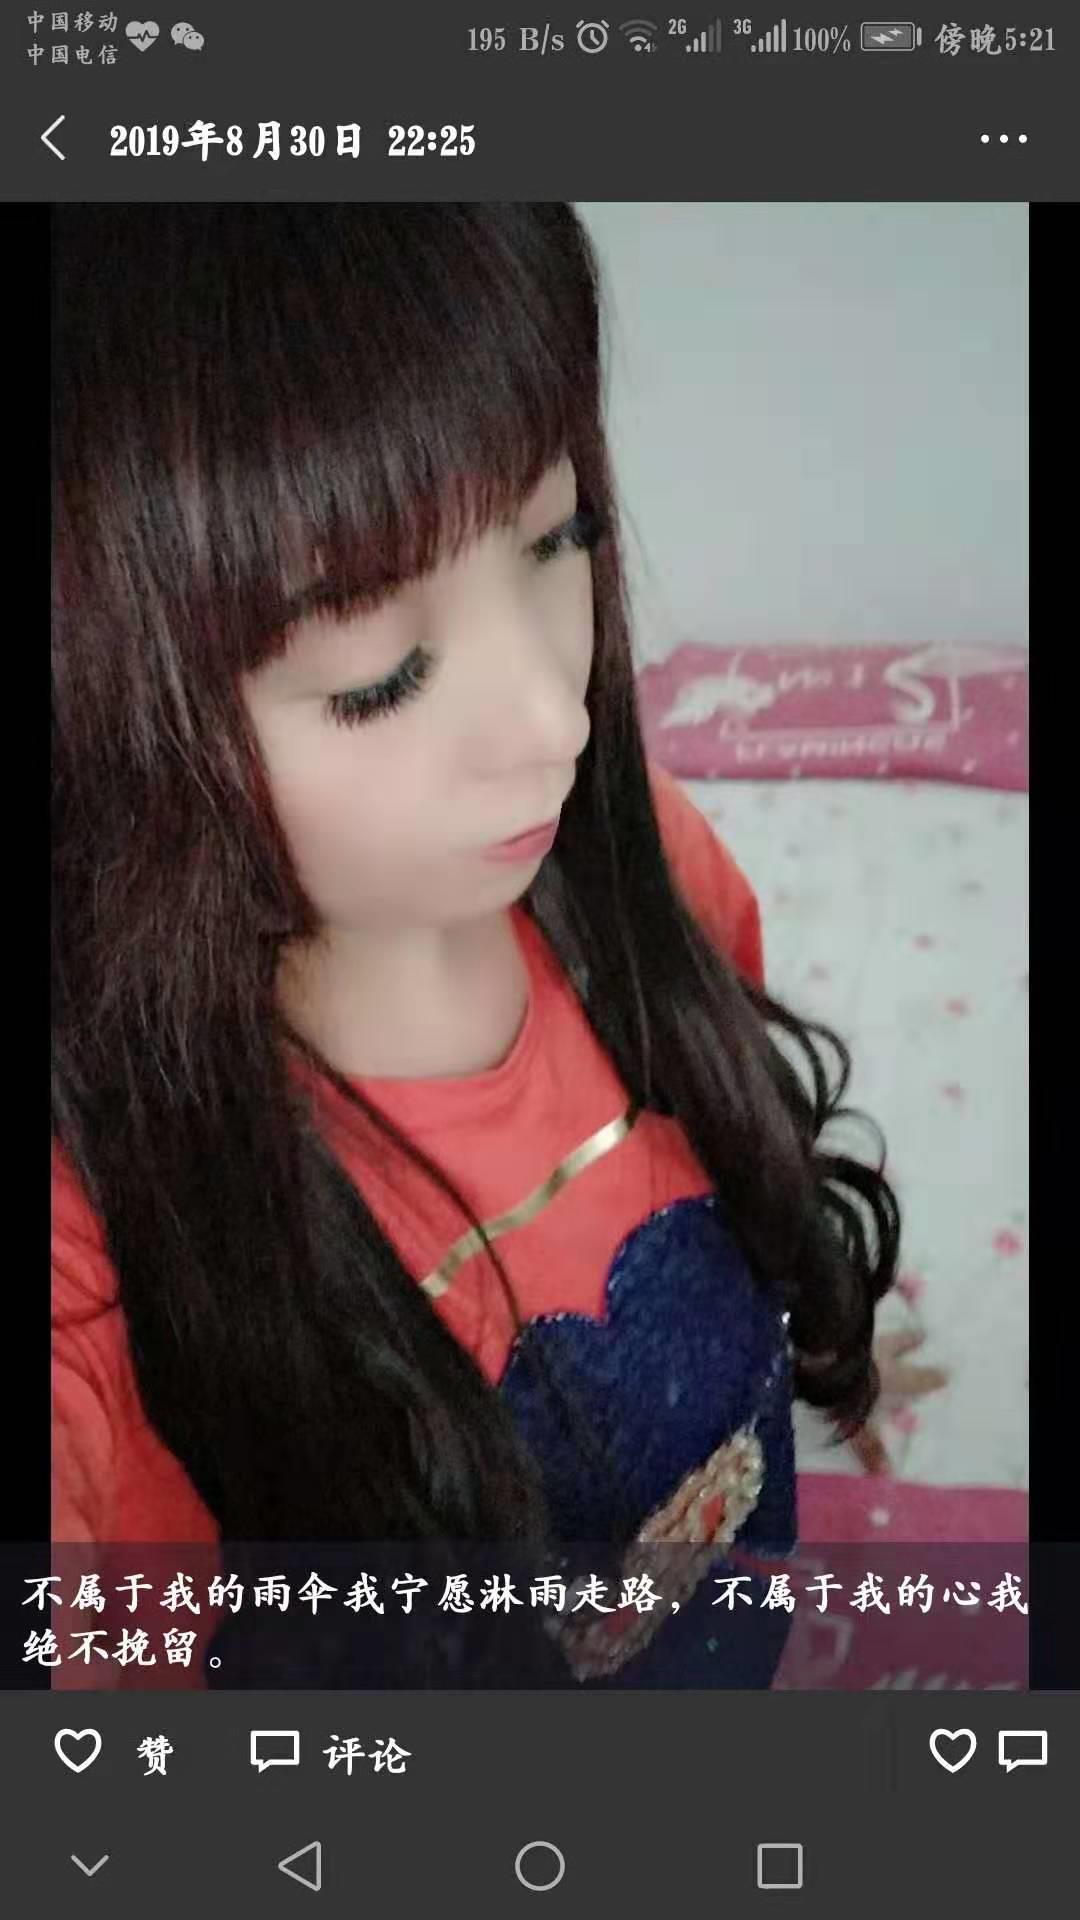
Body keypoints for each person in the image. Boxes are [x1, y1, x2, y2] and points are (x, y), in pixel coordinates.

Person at [52, 205, 917, 1690]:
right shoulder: (115, 1224)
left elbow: (745, 1146)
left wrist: (818, 1324)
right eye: (380, 676)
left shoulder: (646, 860)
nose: (551, 720)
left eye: (557, 537)